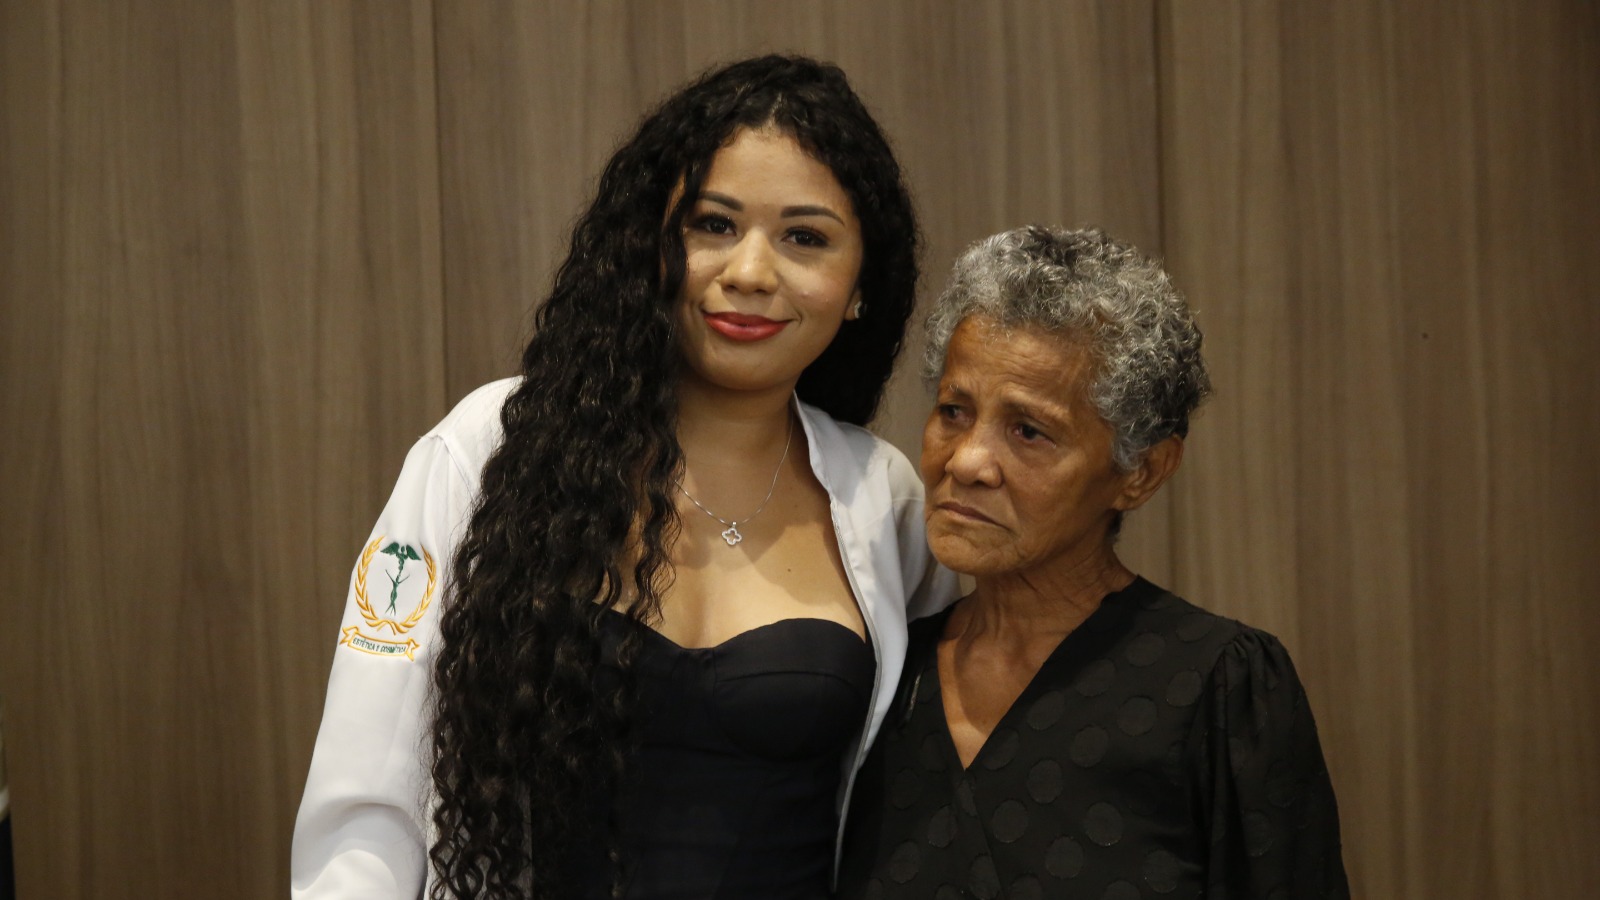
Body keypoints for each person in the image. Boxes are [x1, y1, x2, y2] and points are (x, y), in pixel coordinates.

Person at [292, 56, 956, 900]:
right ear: (651, 243)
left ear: (861, 284)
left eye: (805, 237)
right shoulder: (489, 450)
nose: (751, 272)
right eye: (714, 224)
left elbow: (922, 806)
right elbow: (367, 804)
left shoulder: (886, 500)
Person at [839, 226, 1348, 899]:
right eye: (954, 411)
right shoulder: (880, 674)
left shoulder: (1216, 688)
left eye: (1028, 431)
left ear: (1141, 471)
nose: (965, 462)